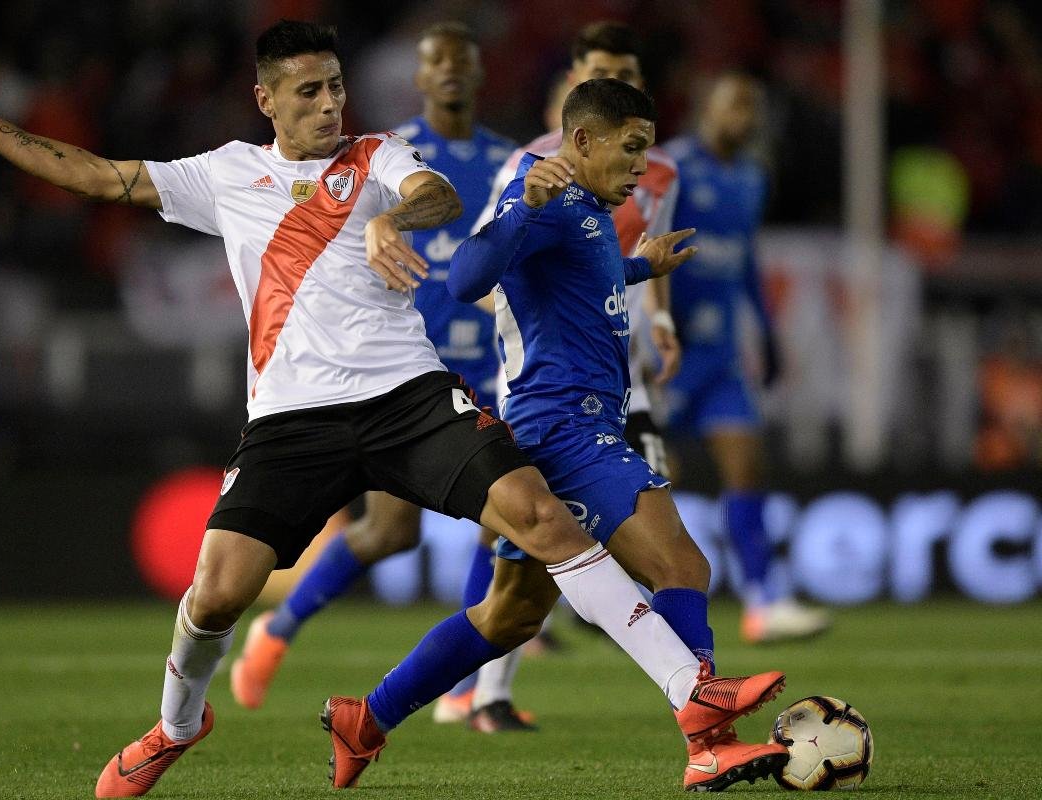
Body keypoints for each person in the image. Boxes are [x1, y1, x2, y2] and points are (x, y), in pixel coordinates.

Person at [0, 20, 759, 799]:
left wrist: (393, 220)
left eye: (336, 86)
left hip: (409, 396)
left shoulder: (376, 159)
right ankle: (176, 727)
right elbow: (99, 178)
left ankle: (694, 700)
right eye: (308, 91)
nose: (329, 104)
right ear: (266, 99)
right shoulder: (227, 175)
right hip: (291, 421)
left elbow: (439, 196)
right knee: (217, 593)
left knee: (538, 517)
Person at [322, 78, 789, 794]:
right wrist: (523, 205)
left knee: (505, 616)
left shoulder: (594, 213)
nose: (641, 164)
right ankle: (708, 736)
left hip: (562, 427)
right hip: (563, 427)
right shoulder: (544, 203)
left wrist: (643, 267)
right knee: (683, 568)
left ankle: (368, 719)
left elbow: (578, 280)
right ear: (581, 141)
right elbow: (467, 277)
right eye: (630, 148)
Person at [229, 20, 521, 727]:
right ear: (417, 78)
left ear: (481, 75)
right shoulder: (385, 155)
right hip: (406, 366)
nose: (450, 71)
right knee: (390, 534)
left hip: (487, 358)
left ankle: (470, 692)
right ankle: (278, 628)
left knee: (503, 518)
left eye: (463, 60)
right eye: (436, 61)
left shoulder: (508, 160)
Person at [464, 19, 684, 730]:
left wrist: (652, 300)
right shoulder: (534, 170)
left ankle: (422, 703)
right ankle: (698, 693)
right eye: (601, 66)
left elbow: (595, 264)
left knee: (524, 581)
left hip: (610, 369)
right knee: (663, 555)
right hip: (550, 386)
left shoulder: (649, 175)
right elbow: (482, 267)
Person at [662, 72, 831, 644]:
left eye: (752, 107)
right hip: (670, 352)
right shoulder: (672, 168)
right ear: (705, 108)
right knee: (654, 475)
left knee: (746, 464)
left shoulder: (753, 177)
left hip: (721, 355)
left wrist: (771, 334)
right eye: (734, 103)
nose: (744, 116)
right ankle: (583, 593)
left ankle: (763, 599)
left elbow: (745, 262)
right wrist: (658, 326)